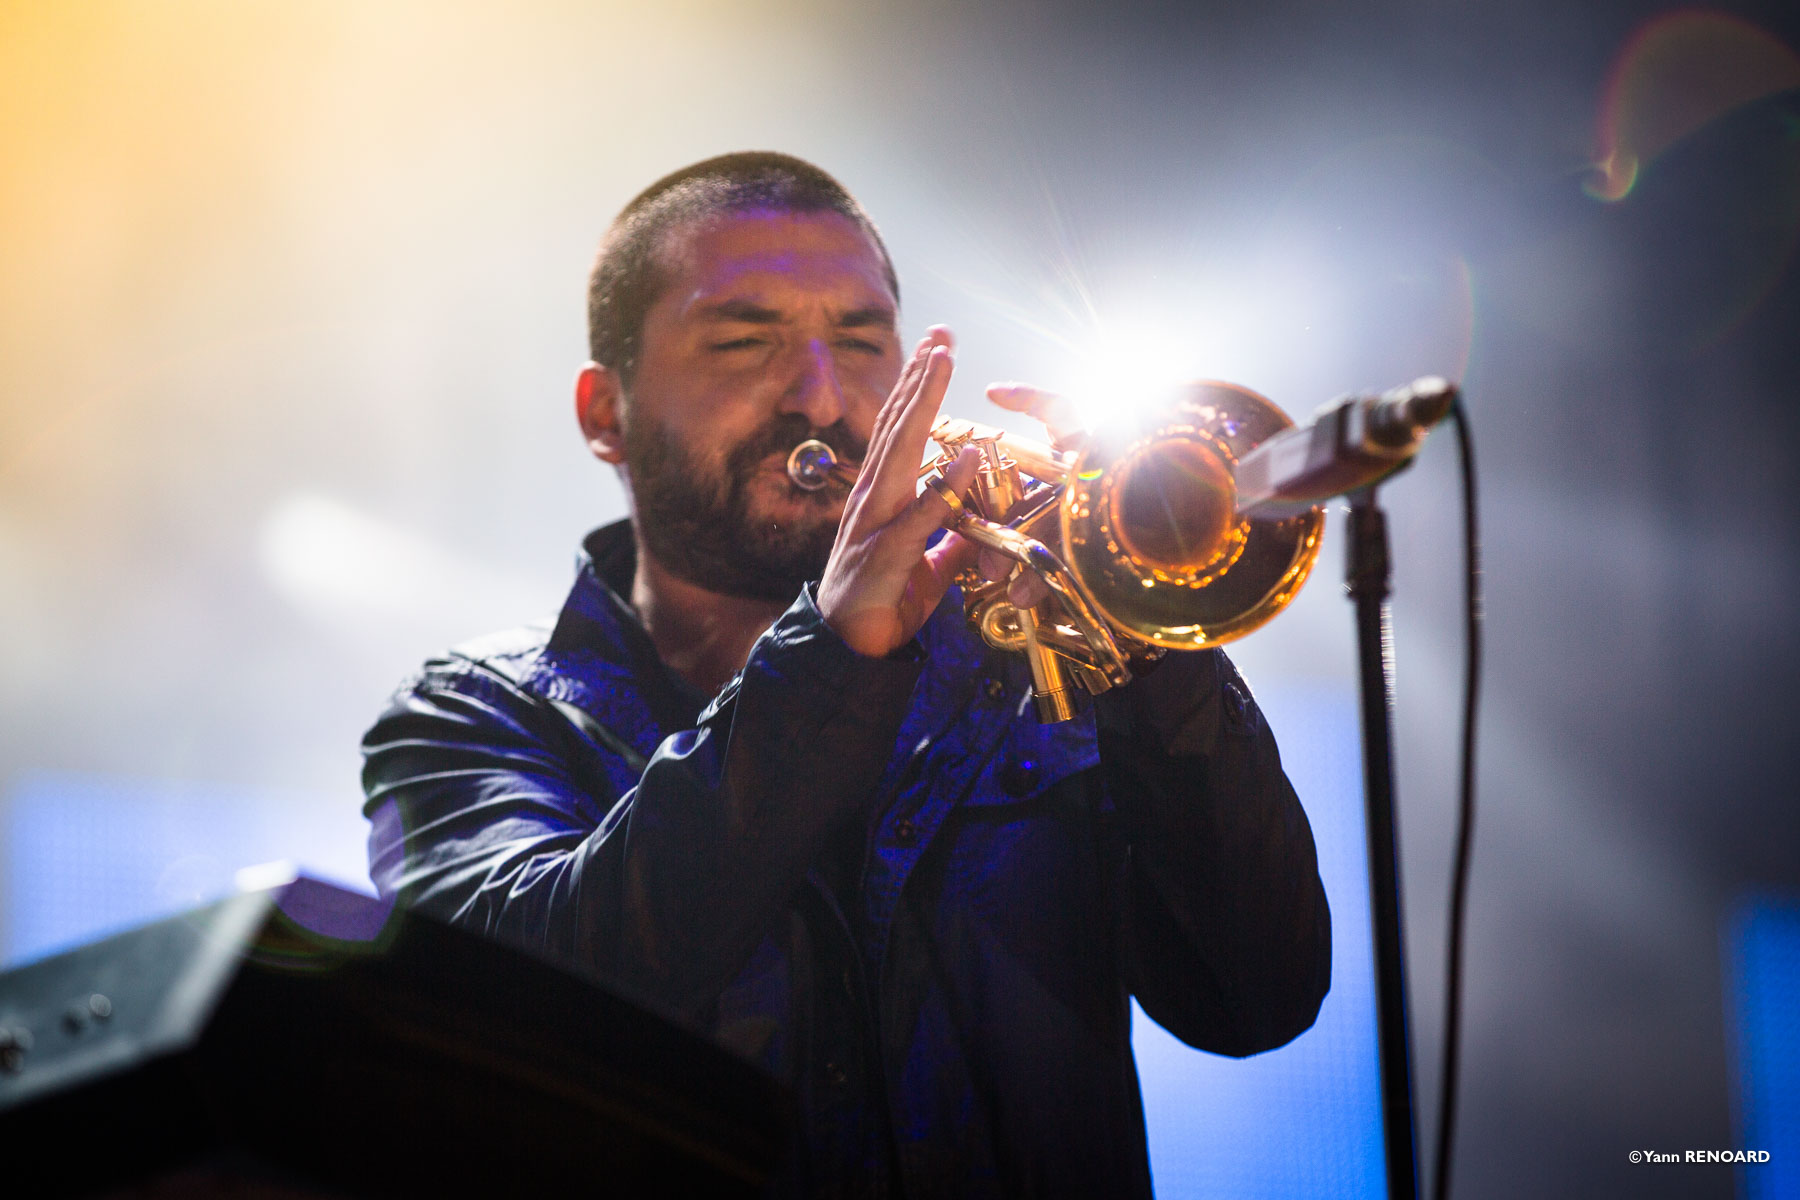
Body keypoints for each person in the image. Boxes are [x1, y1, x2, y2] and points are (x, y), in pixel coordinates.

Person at [360, 151, 1331, 1199]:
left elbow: (1252, 1002)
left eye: (862, 343)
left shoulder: (1035, 669)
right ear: (606, 414)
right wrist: (831, 659)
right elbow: (522, 1013)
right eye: (744, 342)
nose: (821, 398)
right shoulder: (470, 716)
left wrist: (1145, 645)